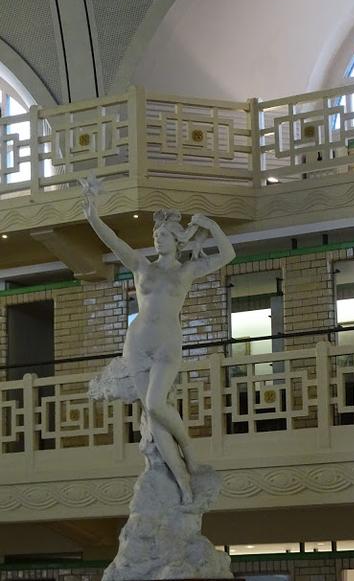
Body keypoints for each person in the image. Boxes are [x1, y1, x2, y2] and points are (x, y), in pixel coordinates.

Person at [81, 179, 235, 504]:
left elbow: (228, 254)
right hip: (137, 345)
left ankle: (190, 455)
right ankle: (183, 483)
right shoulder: (140, 266)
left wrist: (208, 224)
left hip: (167, 345)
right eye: (155, 236)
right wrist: (93, 213)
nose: (157, 239)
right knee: (153, 417)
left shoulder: (188, 270)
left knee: (154, 404)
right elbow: (114, 241)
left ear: (176, 240)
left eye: (163, 235)